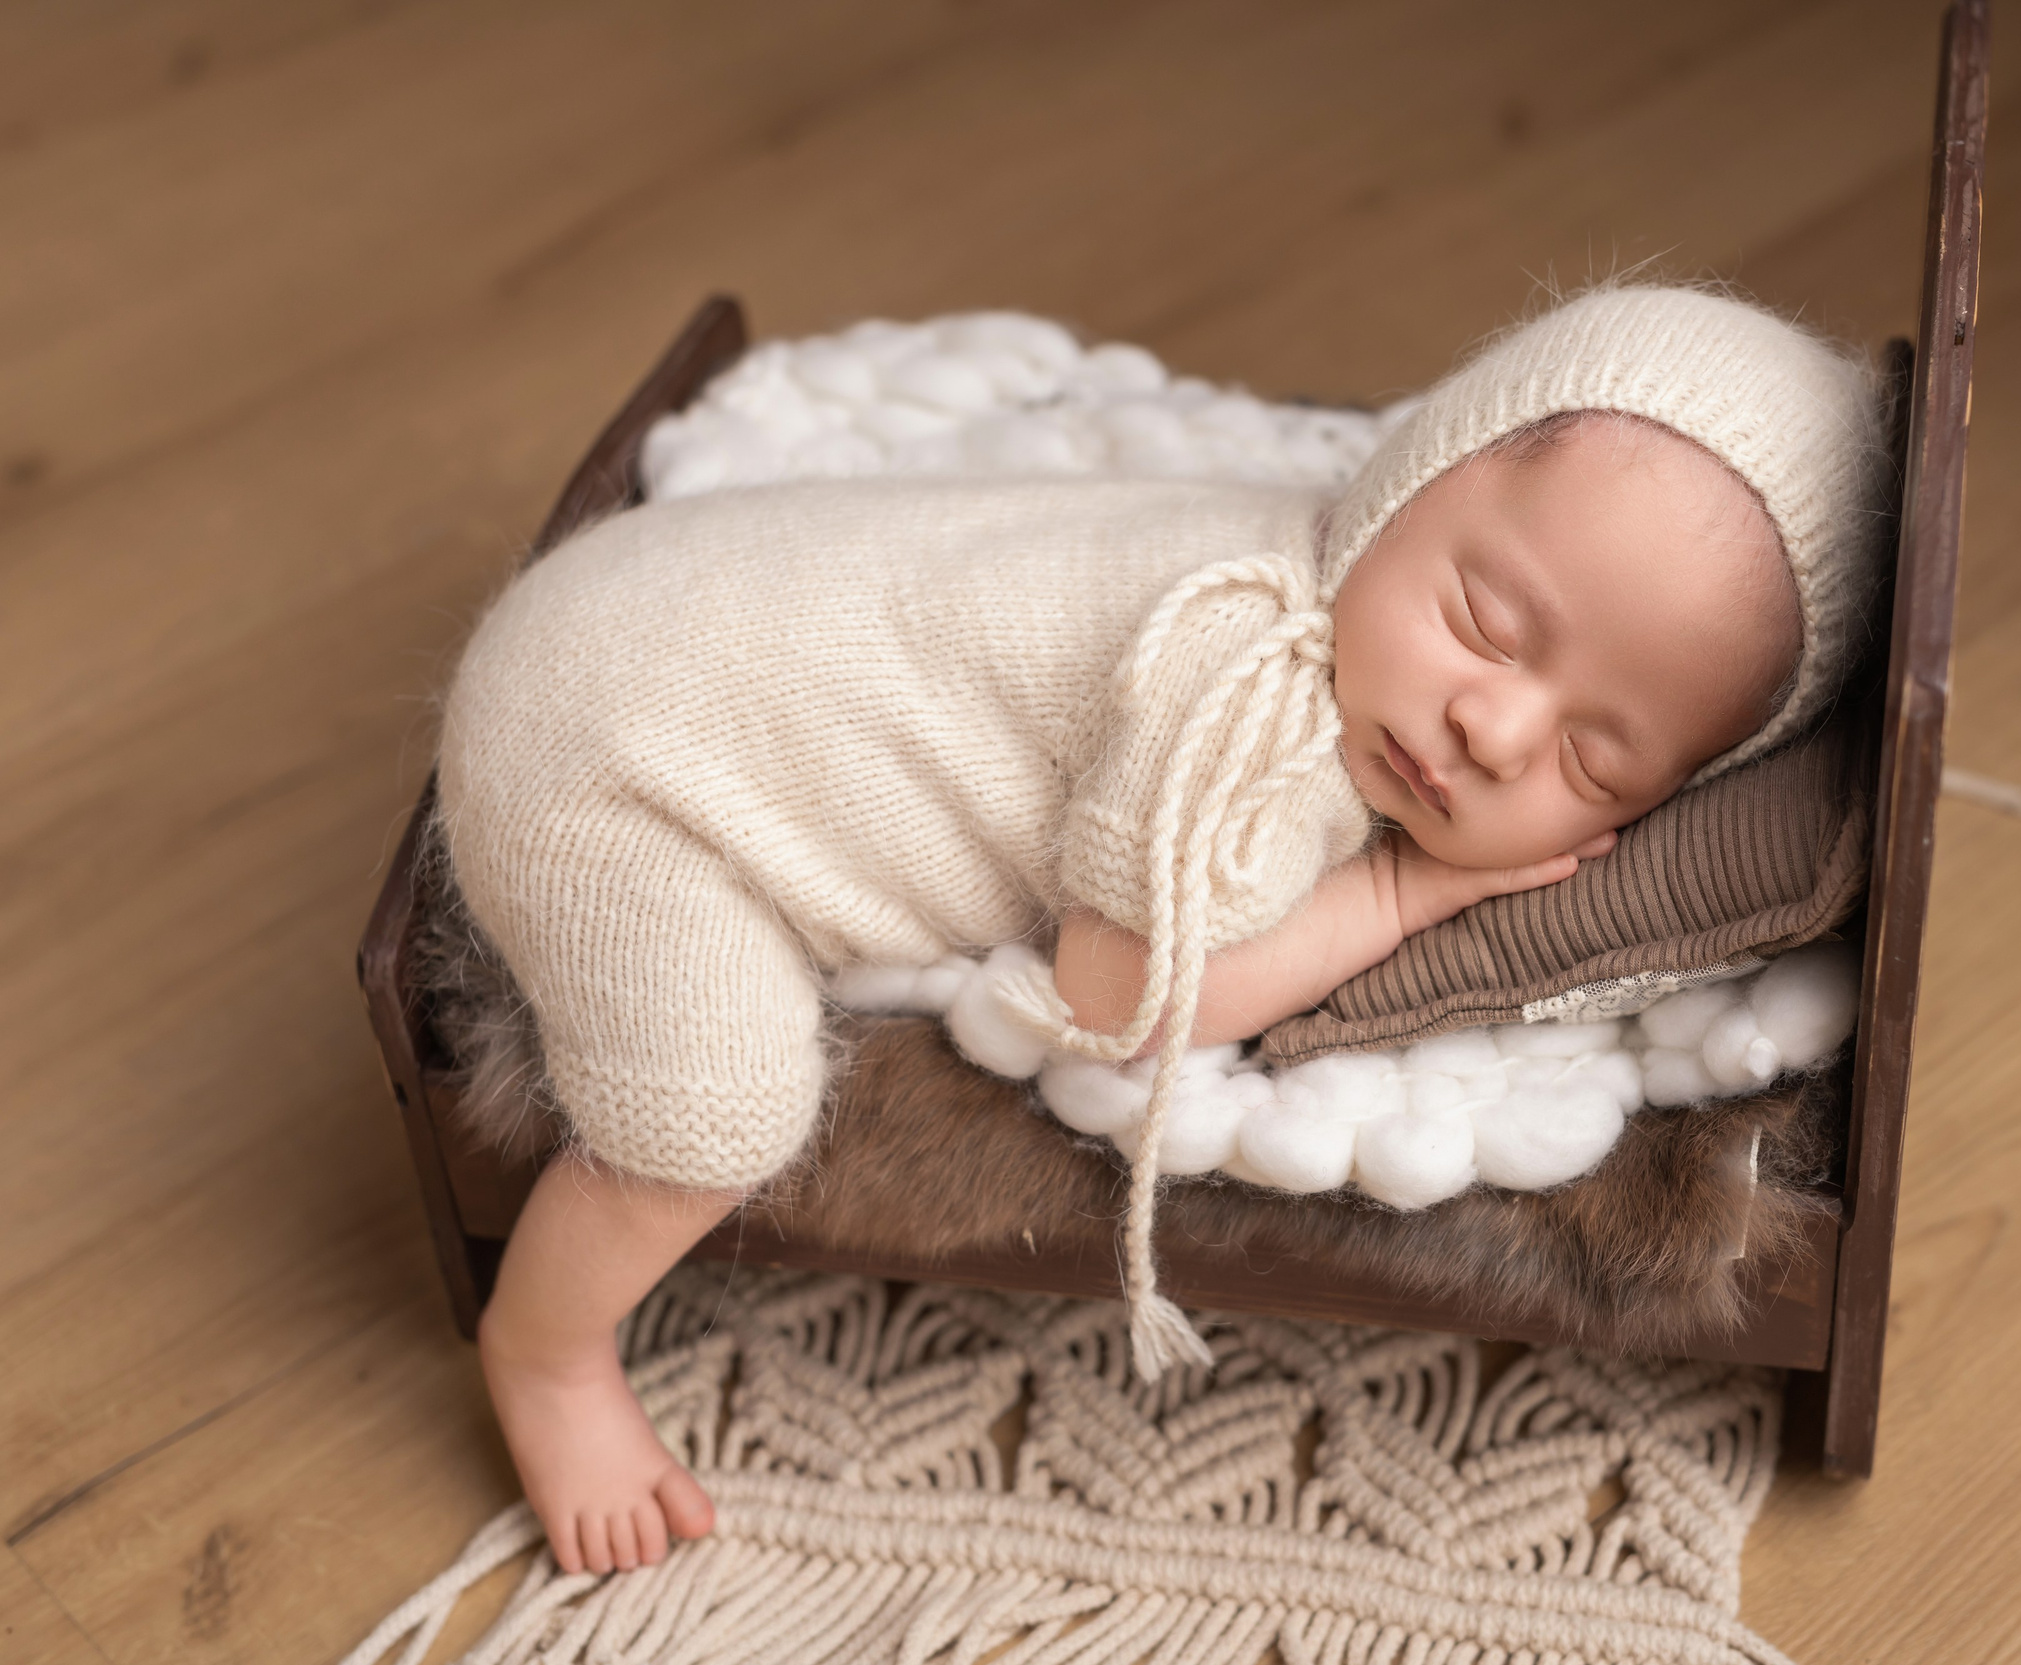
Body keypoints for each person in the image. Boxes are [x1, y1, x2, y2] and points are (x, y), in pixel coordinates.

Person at [434, 285, 1890, 1576]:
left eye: (1595, 761)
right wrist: (1398, 893)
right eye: (1488, 620)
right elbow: (1122, 989)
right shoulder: (1254, 725)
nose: (1494, 726)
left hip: (650, 606)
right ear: (1413, 479)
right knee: (710, 1119)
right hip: (615, 776)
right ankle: (547, 1353)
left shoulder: (1319, 565)